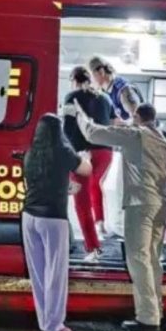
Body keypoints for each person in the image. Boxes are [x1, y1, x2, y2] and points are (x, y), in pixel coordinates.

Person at [74, 101, 166, 331]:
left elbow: (93, 133)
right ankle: (156, 309)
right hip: (162, 203)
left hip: (140, 203)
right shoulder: (162, 138)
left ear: (137, 117)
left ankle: (148, 318)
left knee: (137, 258)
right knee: (153, 259)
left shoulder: (136, 135)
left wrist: (78, 112)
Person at [22, 113, 92, 331]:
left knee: (38, 274)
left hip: (29, 216)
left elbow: (38, 182)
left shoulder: (30, 154)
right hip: (53, 219)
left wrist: (66, 187)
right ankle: (54, 325)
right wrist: (83, 154)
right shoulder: (63, 151)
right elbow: (86, 169)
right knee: (56, 273)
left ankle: (45, 321)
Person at [63, 66, 115, 261]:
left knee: (81, 201)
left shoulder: (72, 96)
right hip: (105, 152)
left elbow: (68, 127)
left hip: (83, 154)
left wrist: (68, 153)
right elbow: (111, 124)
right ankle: (101, 223)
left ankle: (93, 249)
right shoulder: (105, 98)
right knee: (96, 186)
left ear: (73, 80)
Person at [88, 56, 143, 122]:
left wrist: (117, 124)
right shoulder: (104, 93)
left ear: (101, 72)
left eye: (91, 76)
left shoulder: (123, 90)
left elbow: (138, 122)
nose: (90, 81)